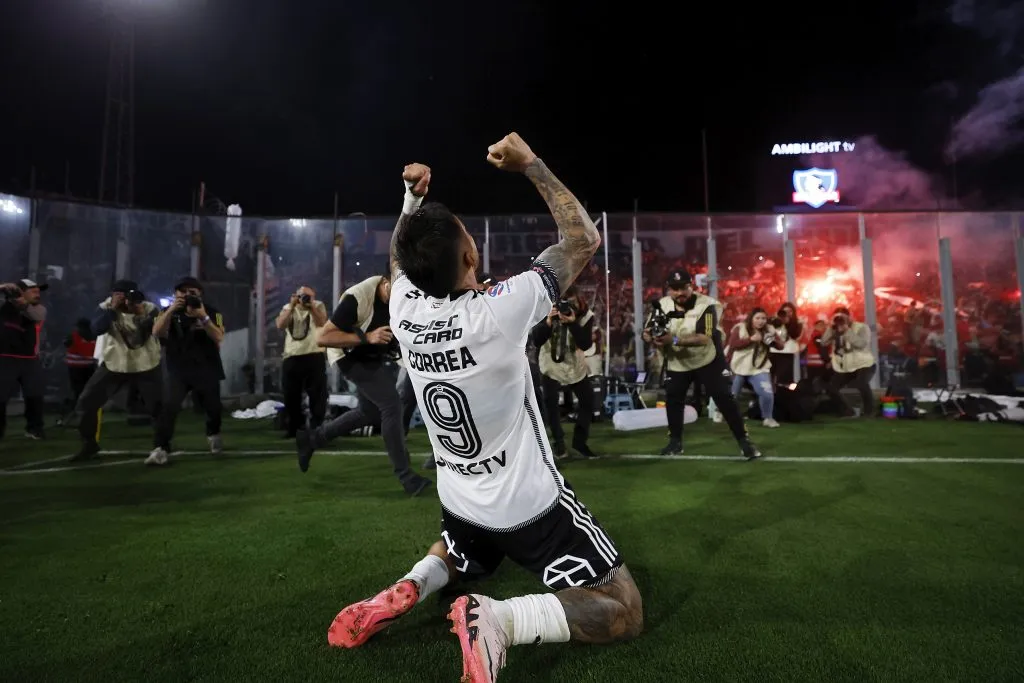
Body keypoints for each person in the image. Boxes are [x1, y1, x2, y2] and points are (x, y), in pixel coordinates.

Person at [327, 134, 642, 683]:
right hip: (529, 506)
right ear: (471, 256)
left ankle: (414, 582)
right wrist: (532, 165)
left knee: (462, 552)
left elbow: (401, 258)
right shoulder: (501, 308)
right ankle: (499, 620)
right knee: (623, 608)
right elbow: (583, 239)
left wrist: (411, 199)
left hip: (459, 496)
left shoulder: (403, 310)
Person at [296, 272, 431, 497]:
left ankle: (312, 439)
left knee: (369, 413)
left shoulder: (402, 300)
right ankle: (407, 477)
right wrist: (367, 338)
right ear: (386, 283)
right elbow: (323, 338)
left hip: (370, 356)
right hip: (347, 356)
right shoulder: (357, 297)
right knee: (392, 405)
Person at [643, 271, 760, 459]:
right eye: (675, 289)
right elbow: (647, 330)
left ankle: (744, 440)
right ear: (668, 289)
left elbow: (704, 338)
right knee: (673, 400)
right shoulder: (662, 304)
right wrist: (650, 336)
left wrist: (673, 340)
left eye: (683, 288)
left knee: (724, 398)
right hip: (678, 361)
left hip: (708, 358)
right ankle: (675, 442)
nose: (680, 293)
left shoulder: (707, 305)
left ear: (692, 286)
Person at [73, 280, 162, 462]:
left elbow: (143, 337)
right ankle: (89, 444)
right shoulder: (105, 307)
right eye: (118, 294)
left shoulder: (149, 308)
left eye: (127, 295)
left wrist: (139, 314)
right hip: (115, 362)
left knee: (158, 408)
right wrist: (112, 310)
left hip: (145, 363)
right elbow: (96, 329)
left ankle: (161, 446)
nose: (123, 299)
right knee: (86, 402)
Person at [149, 276, 226, 465]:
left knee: (213, 407)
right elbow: (157, 332)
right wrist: (171, 310)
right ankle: (161, 447)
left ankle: (213, 433)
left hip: (207, 367)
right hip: (178, 369)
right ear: (175, 294)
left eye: (192, 292)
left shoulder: (212, 312)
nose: (186, 295)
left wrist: (203, 317)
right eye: (182, 292)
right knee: (169, 407)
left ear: (200, 294)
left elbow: (219, 337)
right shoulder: (167, 312)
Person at [531, 285, 598, 459]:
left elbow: (585, 344)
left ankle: (580, 442)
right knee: (551, 405)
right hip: (550, 364)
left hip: (574, 365)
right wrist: (547, 322)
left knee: (587, 401)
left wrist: (573, 323)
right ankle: (559, 444)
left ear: (578, 299)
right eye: (563, 301)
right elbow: (536, 340)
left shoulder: (586, 315)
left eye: (570, 301)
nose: (566, 306)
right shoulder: (544, 310)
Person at [275, 285, 329, 438]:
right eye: (301, 296)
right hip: (292, 356)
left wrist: (311, 307)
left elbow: (322, 323)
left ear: (313, 297)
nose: (304, 299)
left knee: (317, 395)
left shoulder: (318, 306)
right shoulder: (288, 307)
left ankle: (317, 427)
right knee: (290, 395)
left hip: (314, 355)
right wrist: (292, 306)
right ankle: (294, 427)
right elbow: (280, 324)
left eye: (307, 296)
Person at [0, 279, 47, 441]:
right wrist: (3, 288)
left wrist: (23, 303)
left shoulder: (38, 309)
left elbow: (37, 316)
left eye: (38, 291)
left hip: (29, 358)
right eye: (32, 291)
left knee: (35, 395)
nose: (37, 294)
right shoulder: (4, 306)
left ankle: (35, 429)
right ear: (20, 292)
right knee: (1, 397)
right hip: (5, 357)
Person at [727, 307, 784, 428]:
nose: (761, 321)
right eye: (757, 318)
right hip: (739, 366)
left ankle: (768, 418)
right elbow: (733, 345)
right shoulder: (740, 328)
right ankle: (724, 413)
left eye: (763, 318)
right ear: (751, 318)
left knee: (767, 393)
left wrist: (773, 340)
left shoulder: (769, 329)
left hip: (759, 367)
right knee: (732, 394)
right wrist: (750, 340)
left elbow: (781, 346)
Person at [820, 306, 876, 416]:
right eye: (838, 318)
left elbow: (861, 344)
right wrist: (831, 328)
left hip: (863, 364)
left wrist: (847, 331)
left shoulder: (862, 327)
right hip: (846, 367)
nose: (840, 320)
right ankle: (847, 410)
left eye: (843, 317)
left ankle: (869, 411)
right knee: (831, 388)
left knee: (862, 383)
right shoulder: (834, 329)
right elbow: (824, 342)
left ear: (850, 317)